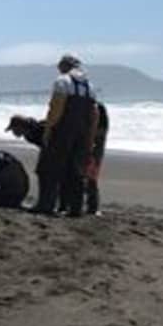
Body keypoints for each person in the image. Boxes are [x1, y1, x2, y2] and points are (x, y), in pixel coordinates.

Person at [32, 54, 97, 217]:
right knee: (75, 171)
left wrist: (48, 129)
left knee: (49, 168)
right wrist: (90, 138)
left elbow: (56, 108)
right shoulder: (89, 86)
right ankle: (75, 208)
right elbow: (93, 115)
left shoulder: (62, 81)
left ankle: (46, 204)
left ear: (64, 66)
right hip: (82, 134)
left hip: (62, 131)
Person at [85, 102, 109, 215]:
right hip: (97, 154)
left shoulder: (97, 130)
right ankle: (93, 207)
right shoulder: (102, 129)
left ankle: (93, 207)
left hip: (93, 153)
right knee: (91, 180)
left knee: (89, 180)